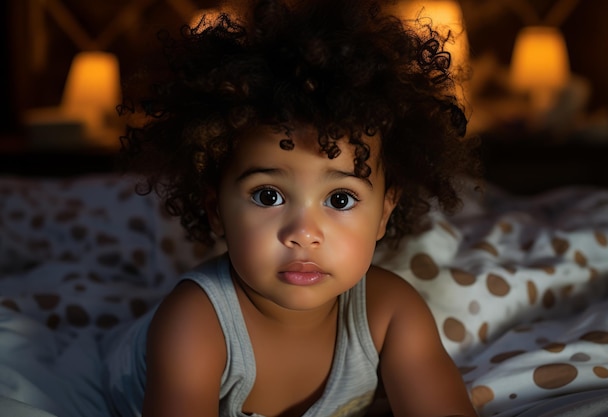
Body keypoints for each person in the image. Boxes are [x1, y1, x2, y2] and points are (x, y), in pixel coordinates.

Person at [103, 0, 482, 416]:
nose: (303, 231)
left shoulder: (390, 313)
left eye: (340, 199)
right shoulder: (194, 323)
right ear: (215, 209)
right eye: (269, 196)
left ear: (385, 212)